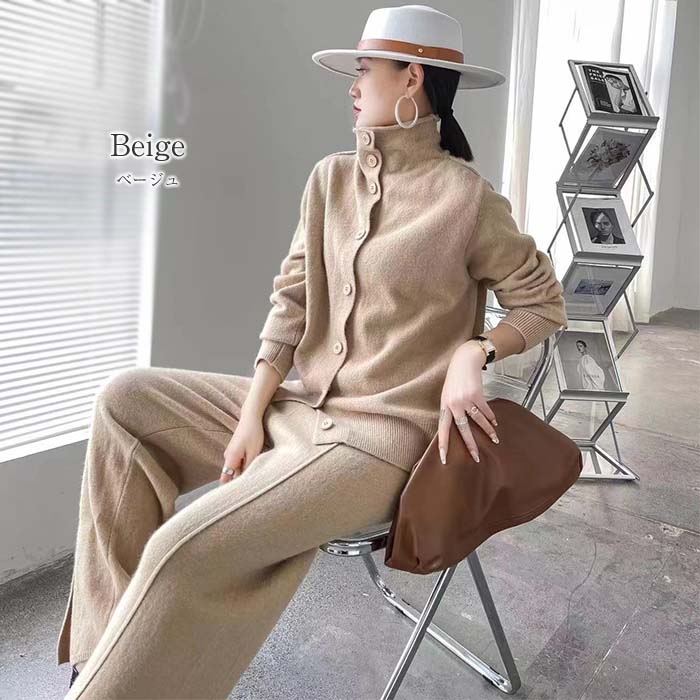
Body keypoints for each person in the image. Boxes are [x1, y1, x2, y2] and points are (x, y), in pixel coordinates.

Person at [59, 5, 568, 698]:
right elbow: (292, 303)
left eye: (366, 69)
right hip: (300, 408)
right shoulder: (330, 180)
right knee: (125, 402)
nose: (353, 85)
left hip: (379, 445)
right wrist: (251, 415)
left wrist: (473, 352)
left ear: (411, 77)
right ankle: (107, 658)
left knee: (184, 549)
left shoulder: (467, 201)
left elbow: (543, 304)